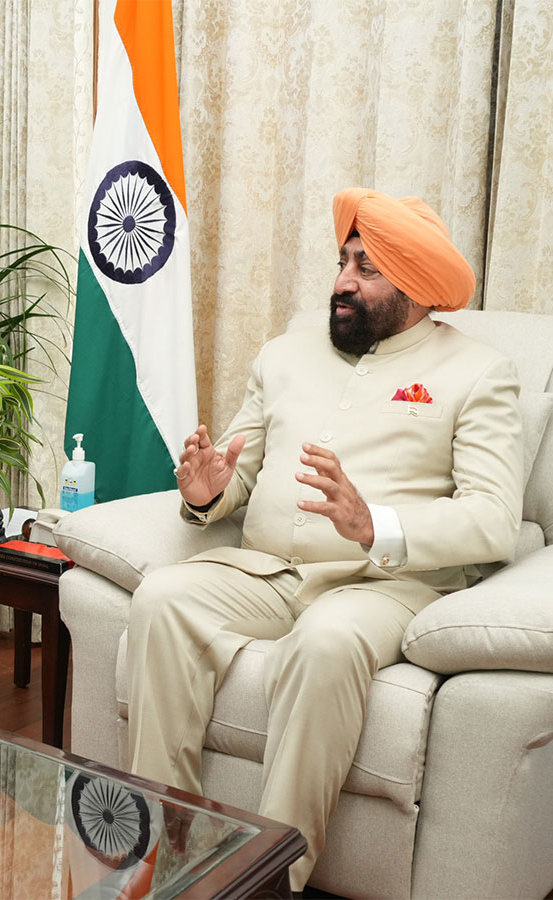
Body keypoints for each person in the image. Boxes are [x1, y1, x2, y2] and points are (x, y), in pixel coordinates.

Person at [126, 188, 523, 890]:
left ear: (419, 287)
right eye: (343, 262)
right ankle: (165, 850)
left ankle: (267, 878)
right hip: (270, 570)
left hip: (380, 584)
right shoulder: (282, 356)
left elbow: (494, 516)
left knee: (325, 643)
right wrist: (207, 491)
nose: (343, 283)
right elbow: (236, 473)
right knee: (162, 596)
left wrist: (378, 526)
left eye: (367, 269)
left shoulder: (478, 373)